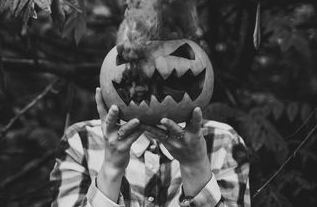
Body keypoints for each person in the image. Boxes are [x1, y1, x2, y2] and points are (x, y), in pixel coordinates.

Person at [49, 87, 250, 206]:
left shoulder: (222, 141)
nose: (151, 79)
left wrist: (195, 166)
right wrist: (111, 168)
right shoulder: (82, 141)